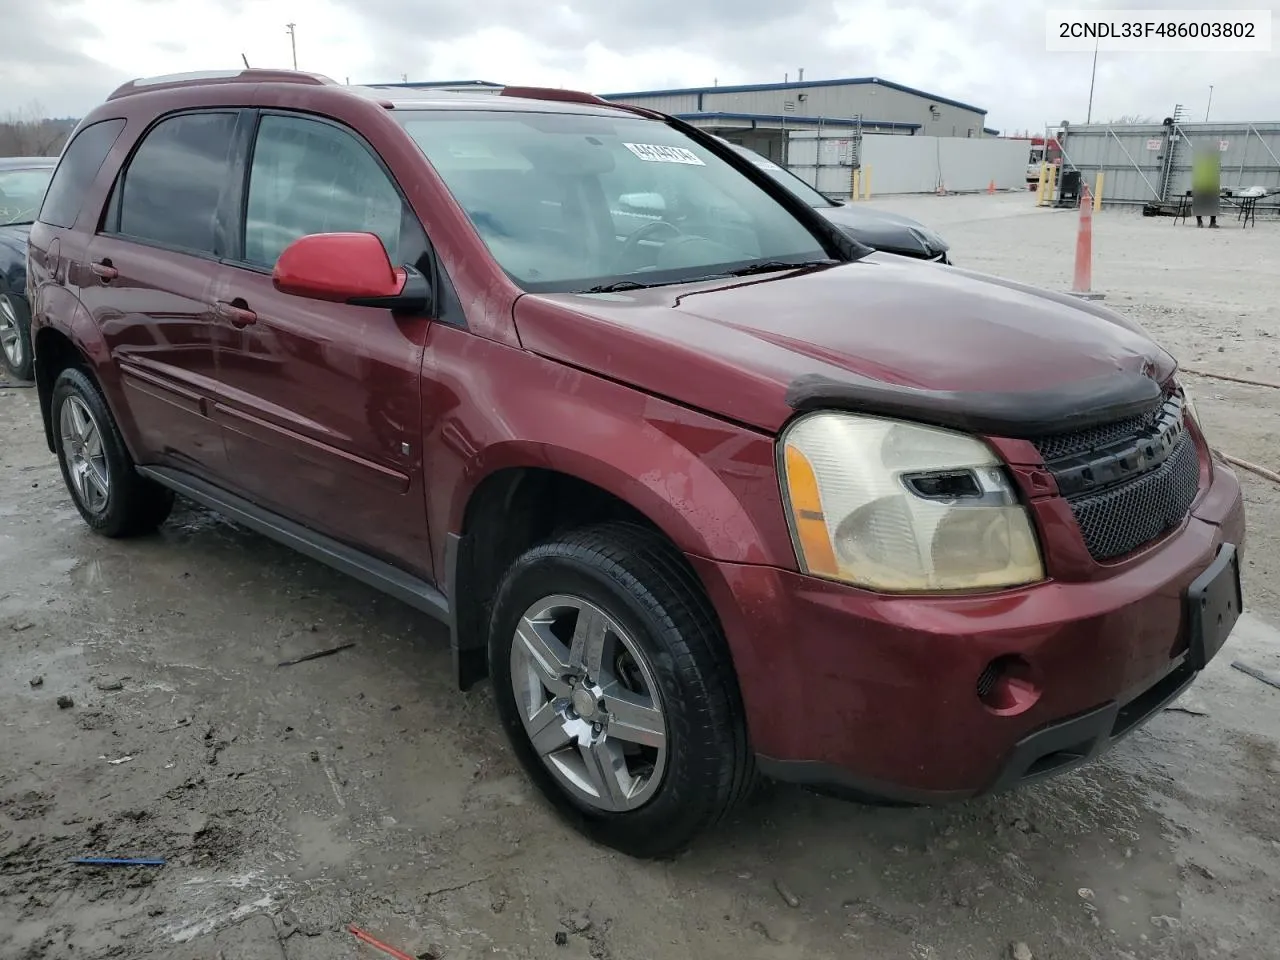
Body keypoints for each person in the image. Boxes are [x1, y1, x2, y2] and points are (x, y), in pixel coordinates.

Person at [1192, 143, 1221, 228]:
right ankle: (1212, 223)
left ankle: (1199, 222)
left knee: (1199, 205)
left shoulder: (1200, 161)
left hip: (1200, 185)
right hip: (1211, 186)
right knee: (1212, 205)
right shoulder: (1215, 162)